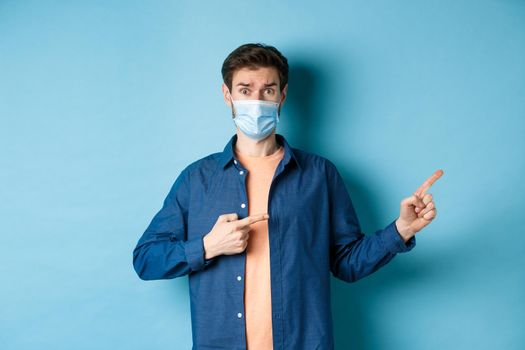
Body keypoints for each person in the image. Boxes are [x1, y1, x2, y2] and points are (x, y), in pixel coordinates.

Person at [132, 43, 444, 350]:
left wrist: (402, 229)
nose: (256, 100)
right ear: (228, 96)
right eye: (245, 90)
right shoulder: (196, 180)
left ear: (282, 96)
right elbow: (146, 260)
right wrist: (207, 246)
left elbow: (346, 263)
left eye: (267, 90)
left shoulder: (319, 175)